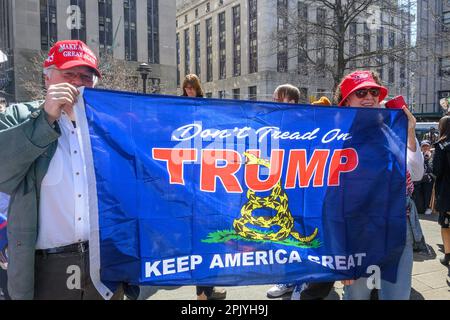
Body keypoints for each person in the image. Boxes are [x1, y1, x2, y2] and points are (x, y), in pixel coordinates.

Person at [0, 40, 125, 300]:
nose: (78, 82)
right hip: (46, 268)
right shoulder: (19, 116)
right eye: (68, 74)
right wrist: (46, 118)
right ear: (48, 78)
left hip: (104, 263)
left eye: (86, 76)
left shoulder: (109, 126)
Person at [333, 70, 424, 300]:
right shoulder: (333, 136)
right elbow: (330, 199)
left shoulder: (391, 129)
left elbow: (417, 173)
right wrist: (341, 255)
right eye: (360, 92)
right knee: (357, 295)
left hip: (395, 227)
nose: (369, 97)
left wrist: (410, 132)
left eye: (374, 91)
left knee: (396, 295)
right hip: (357, 231)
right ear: (346, 101)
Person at [181, 74, 227, 300]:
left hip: (210, 183)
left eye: (192, 88)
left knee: (213, 243)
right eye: (186, 88)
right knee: (201, 244)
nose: (189, 91)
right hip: (192, 187)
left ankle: (208, 289)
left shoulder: (206, 106)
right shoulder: (178, 107)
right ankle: (202, 292)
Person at [266, 84, 302, 299]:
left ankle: (300, 280)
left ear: (292, 102)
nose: (274, 103)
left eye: (278, 99)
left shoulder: (305, 123)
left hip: (301, 189)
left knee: (298, 234)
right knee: (282, 234)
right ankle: (288, 279)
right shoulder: (270, 122)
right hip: (278, 187)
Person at [431, 116, 450, 266]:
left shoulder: (441, 145)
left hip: (447, 193)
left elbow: (437, 170)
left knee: (446, 225)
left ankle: (448, 256)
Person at [413, 140, 435, 215]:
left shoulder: (433, 155)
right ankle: (419, 206)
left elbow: (432, 169)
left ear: (430, 147)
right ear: (421, 147)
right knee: (416, 185)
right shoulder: (418, 155)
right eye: (423, 146)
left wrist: (428, 158)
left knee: (428, 182)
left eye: (427, 146)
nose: (425, 147)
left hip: (429, 177)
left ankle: (427, 207)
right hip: (419, 177)